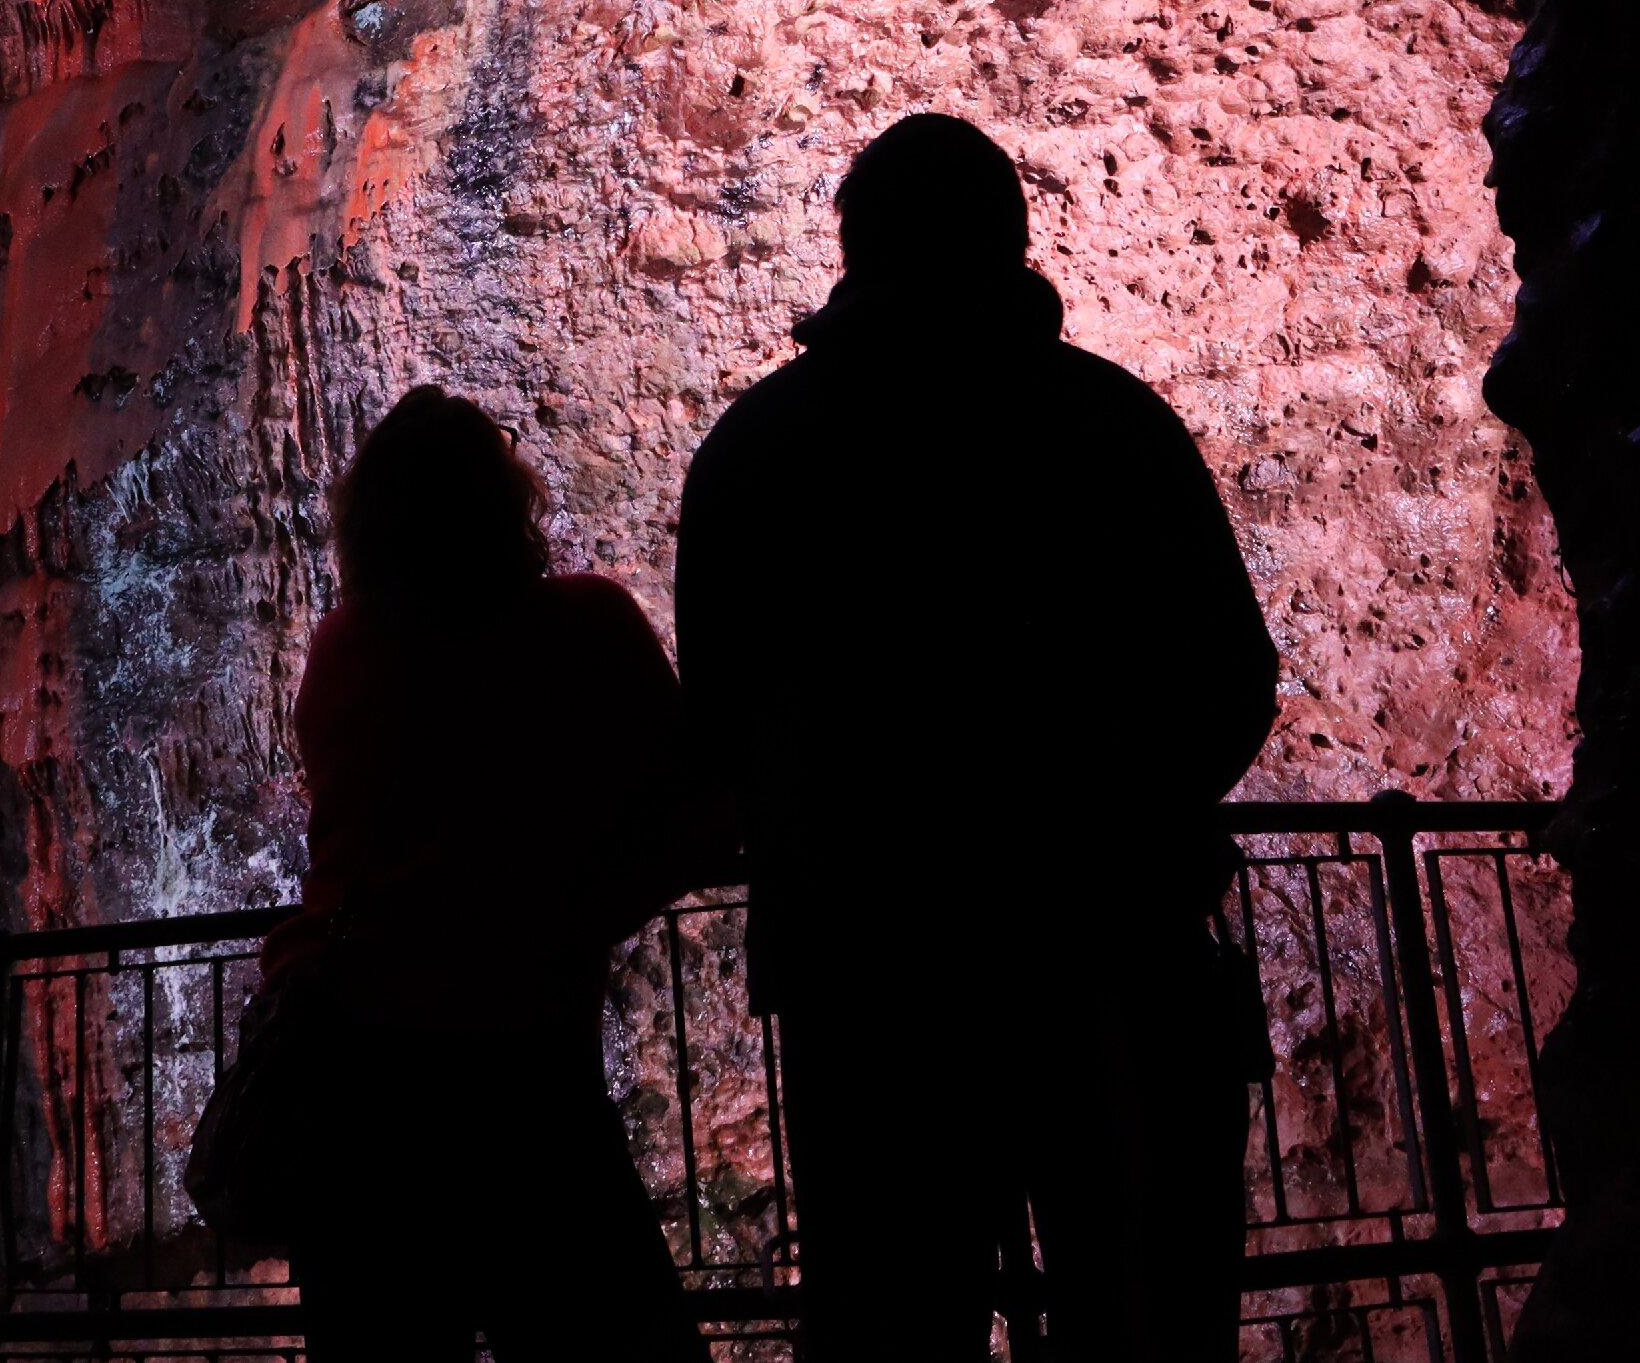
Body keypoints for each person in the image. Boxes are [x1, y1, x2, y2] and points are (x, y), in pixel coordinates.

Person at [676, 114, 1280, 1362]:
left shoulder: (756, 455)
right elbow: (1229, 677)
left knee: (895, 1318)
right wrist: (1113, 820)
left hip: (867, 975)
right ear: (1010, 245)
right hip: (1103, 944)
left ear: (853, 251)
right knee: (1144, 1307)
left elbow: (721, 722)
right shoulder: (1111, 429)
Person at [270, 387, 714, 1363]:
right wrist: (583, 911)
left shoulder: (343, 648)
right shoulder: (580, 628)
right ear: (505, 500)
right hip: (523, 1066)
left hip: (358, 1079)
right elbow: (695, 808)